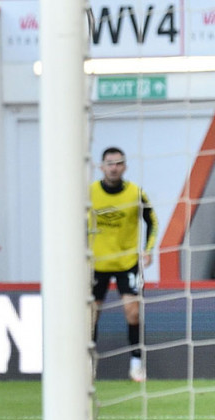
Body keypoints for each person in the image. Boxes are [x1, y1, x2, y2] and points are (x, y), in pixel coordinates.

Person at [89, 146, 156, 382]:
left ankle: (136, 364)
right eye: (110, 163)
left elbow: (152, 221)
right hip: (96, 264)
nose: (114, 168)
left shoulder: (136, 193)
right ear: (101, 166)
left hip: (127, 262)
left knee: (133, 312)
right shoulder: (89, 193)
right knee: (90, 316)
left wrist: (148, 250)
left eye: (118, 163)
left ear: (125, 166)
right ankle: (88, 364)